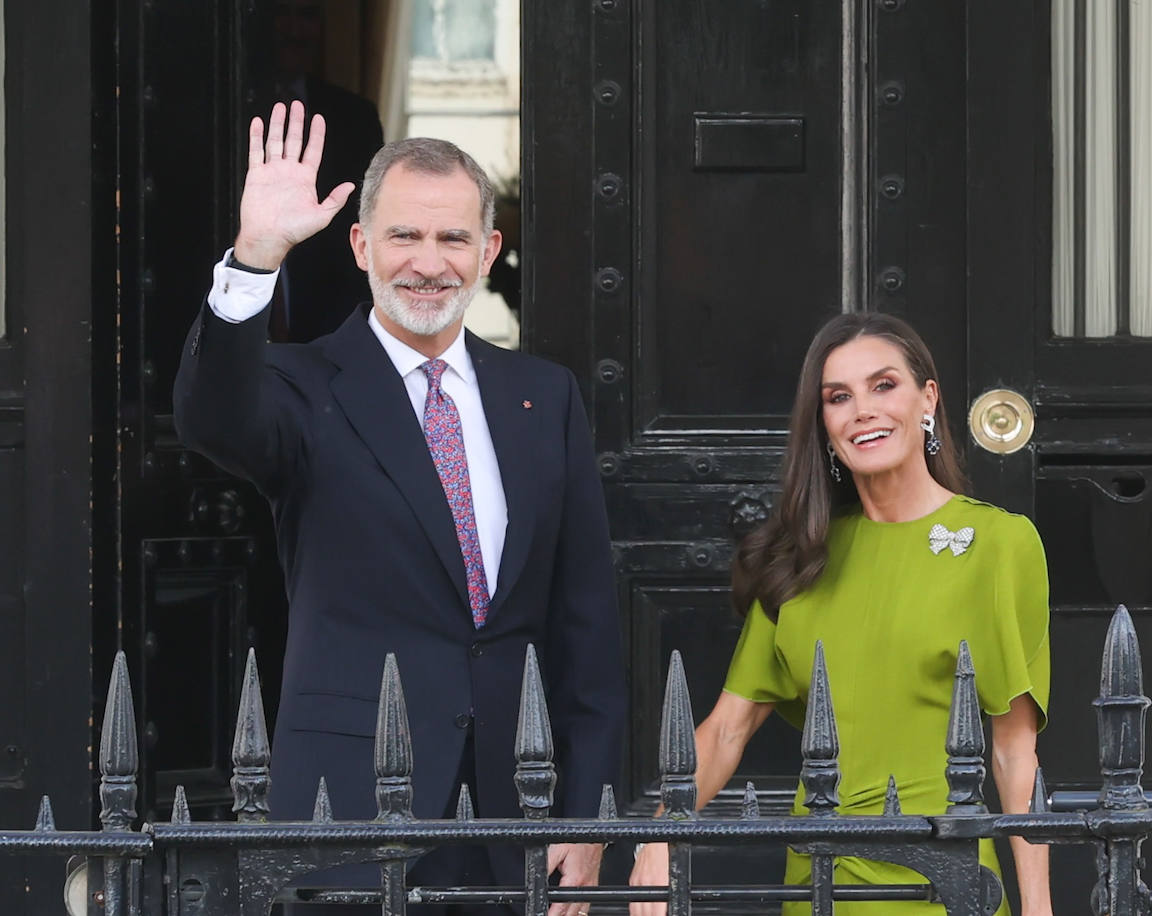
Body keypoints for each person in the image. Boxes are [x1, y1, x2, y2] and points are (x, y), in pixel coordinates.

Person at [173, 102, 624, 916]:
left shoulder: (542, 396)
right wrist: (256, 255)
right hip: (350, 809)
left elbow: (583, 624)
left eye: (453, 238)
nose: (429, 262)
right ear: (360, 246)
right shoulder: (304, 385)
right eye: (404, 236)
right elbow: (212, 418)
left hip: (515, 813)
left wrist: (588, 812)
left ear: (489, 251)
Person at [628, 313, 1052, 915]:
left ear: (927, 399)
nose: (863, 411)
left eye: (884, 386)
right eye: (838, 397)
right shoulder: (801, 556)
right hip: (819, 877)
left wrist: (1039, 909)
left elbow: (1015, 751)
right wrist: (662, 829)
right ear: (823, 424)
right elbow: (728, 729)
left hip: (941, 876)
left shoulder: (999, 543)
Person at [266, 0, 384, 341]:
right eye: (282, 14)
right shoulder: (224, 105)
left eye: (307, 16)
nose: (294, 30)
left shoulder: (354, 116)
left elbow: (367, 219)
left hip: (328, 325)